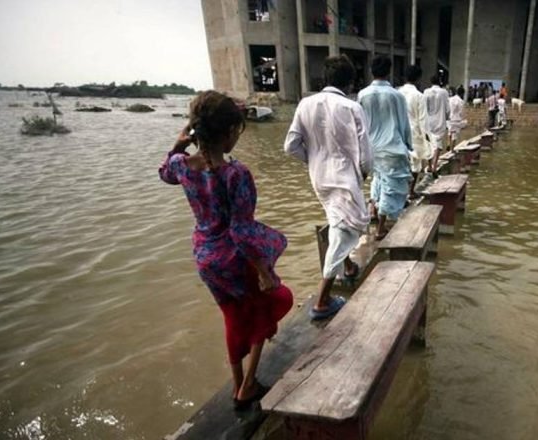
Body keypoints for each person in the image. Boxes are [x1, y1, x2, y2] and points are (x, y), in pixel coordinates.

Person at [159, 91, 293, 410]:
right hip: (234, 257)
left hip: (205, 257)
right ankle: (247, 385)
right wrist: (264, 271)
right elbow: (242, 231)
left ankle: (237, 384)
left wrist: (179, 144)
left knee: (232, 316)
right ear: (229, 132)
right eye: (236, 131)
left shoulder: (181, 165)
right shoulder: (236, 174)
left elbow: (164, 174)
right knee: (275, 301)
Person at [284, 55, 372, 320]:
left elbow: (291, 145)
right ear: (350, 82)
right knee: (348, 226)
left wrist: (313, 161)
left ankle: (348, 268)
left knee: (338, 222)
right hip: (345, 177)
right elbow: (366, 155)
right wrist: (363, 174)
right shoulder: (352, 107)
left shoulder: (305, 104)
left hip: (319, 178)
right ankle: (322, 300)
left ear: (325, 78)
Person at [359, 56, 413, 240]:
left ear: (371, 71)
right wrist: (408, 144)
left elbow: (361, 124)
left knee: (378, 179)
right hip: (392, 146)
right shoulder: (396, 95)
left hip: (372, 147)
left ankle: (373, 210)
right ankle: (381, 228)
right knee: (391, 186)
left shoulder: (362, 95)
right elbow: (403, 122)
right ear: (388, 71)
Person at [398, 64, 429, 197]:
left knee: (400, 163)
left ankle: (400, 192)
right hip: (414, 132)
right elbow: (423, 120)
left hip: (398, 132)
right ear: (419, 78)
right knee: (415, 164)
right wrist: (426, 137)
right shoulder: (419, 96)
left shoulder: (397, 93)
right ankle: (410, 191)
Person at [423, 75, 450, 171]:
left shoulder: (426, 92)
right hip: (440, 121)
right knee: (438, 144)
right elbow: (447, 109)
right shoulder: (444, 92)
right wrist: (447, 118)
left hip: (428, 122)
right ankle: (434, 166)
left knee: (429, 144)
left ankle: (429, 166)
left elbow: (424, 108)